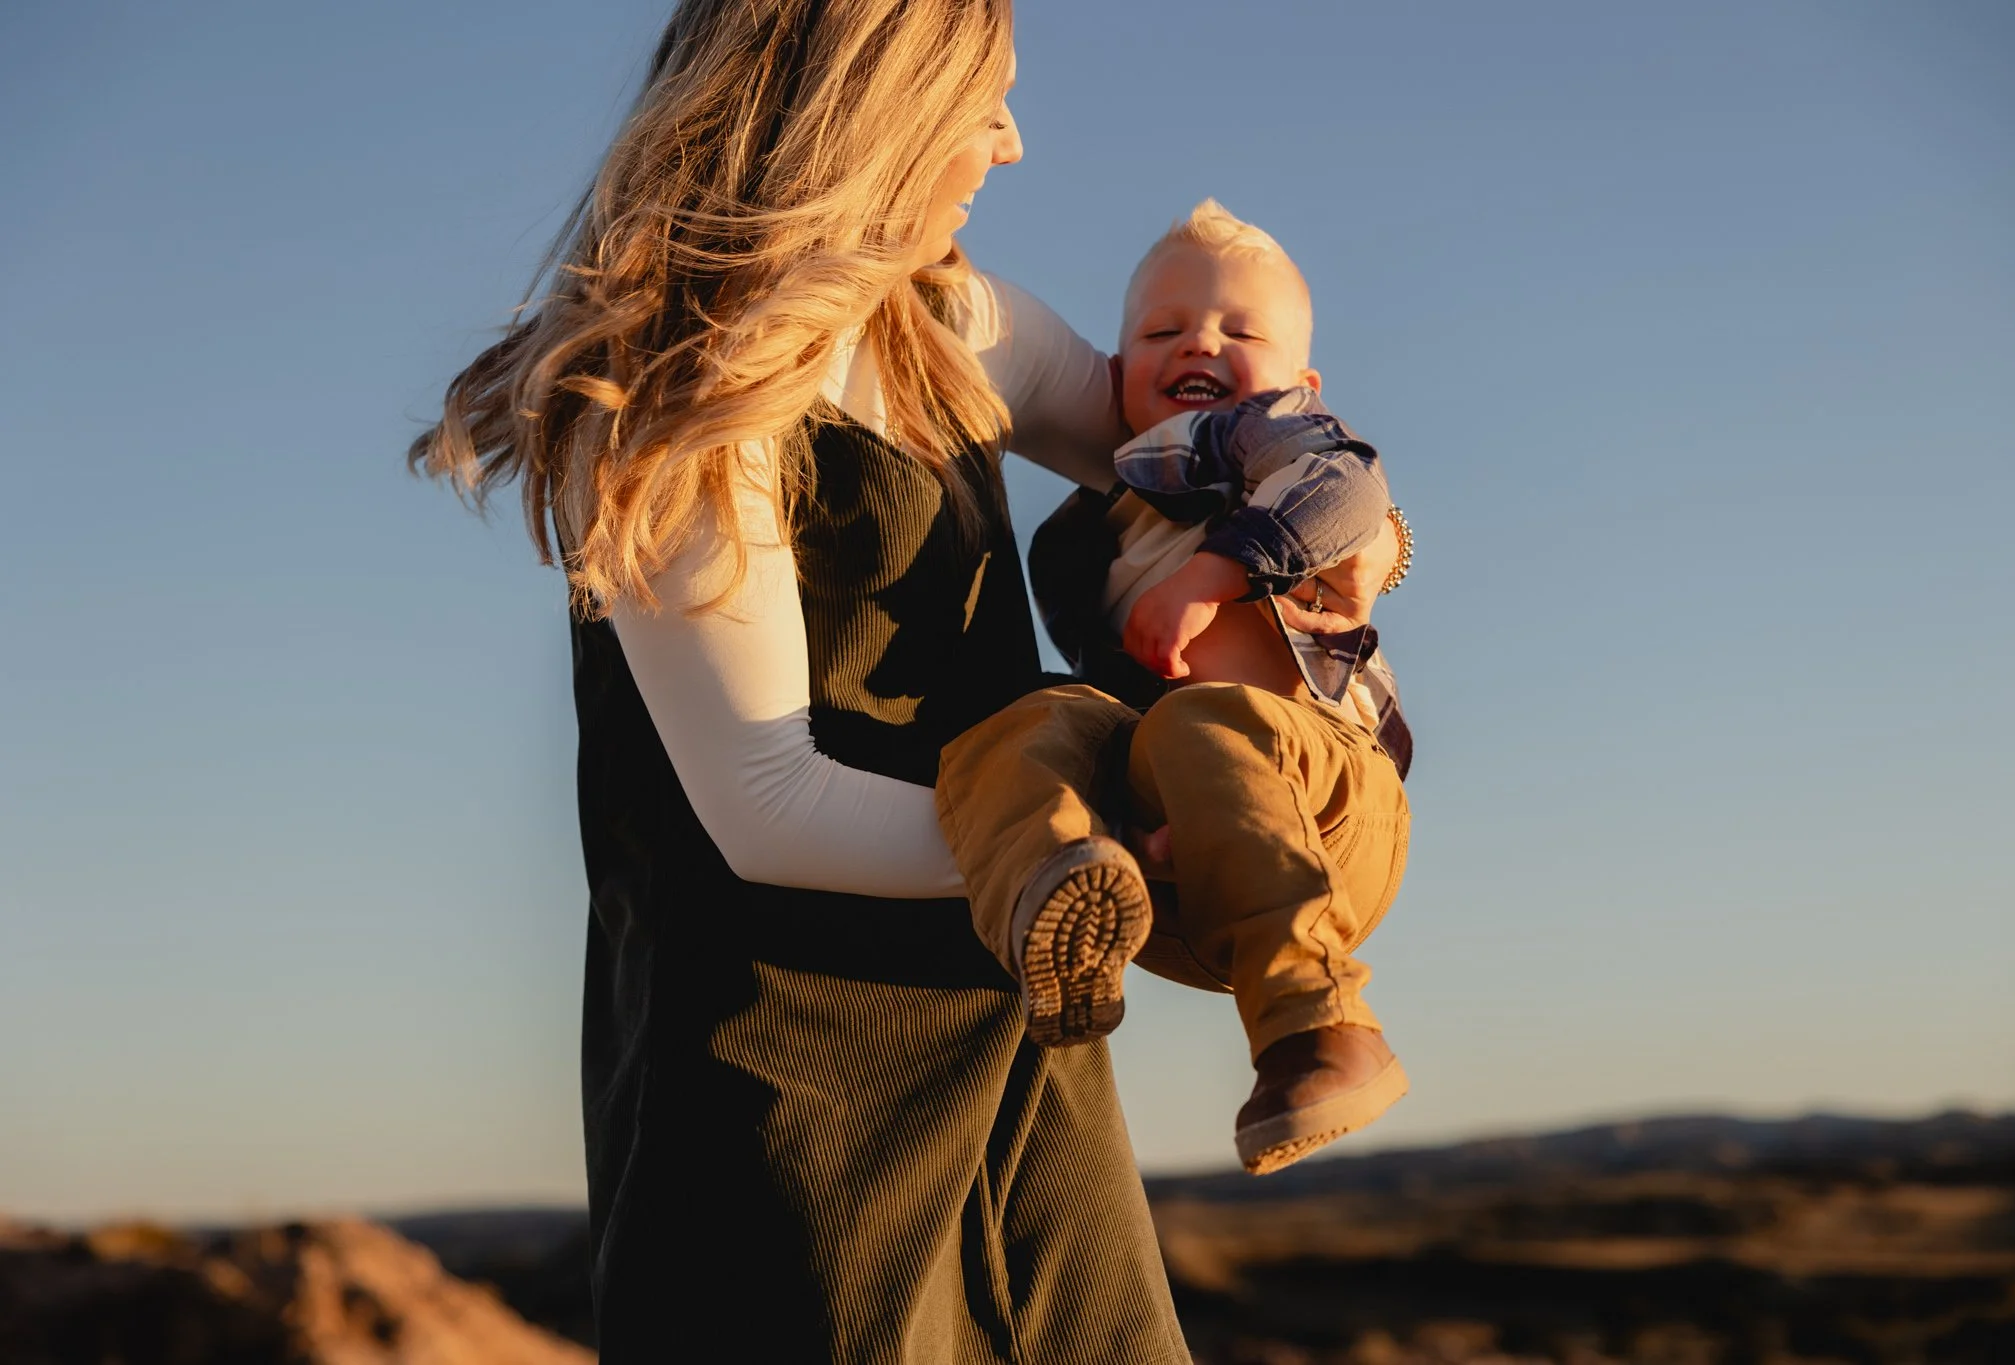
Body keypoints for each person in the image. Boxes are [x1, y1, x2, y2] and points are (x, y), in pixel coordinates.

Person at [406, 2, 1217, 1357]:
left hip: (1019, 1032)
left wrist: (1343, 523)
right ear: (874, 104)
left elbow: (1186, 457)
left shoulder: (956, 327)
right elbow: (769, 801)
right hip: (796, 1107)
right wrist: (1120, 846)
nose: (1014, 146)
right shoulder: (673, 393)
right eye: (986, 98)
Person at [935, 201, 1417, 1177]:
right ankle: (1060, 891)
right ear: (1114, 376)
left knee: (1207, 718)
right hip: (1180, 877)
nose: (1198, 341)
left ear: (1300, 383)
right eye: (1162, 332)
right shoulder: (1074, 547)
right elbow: (1109, 701)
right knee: (1029, 720)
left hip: (1321, 823)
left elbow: (1349, 494)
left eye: (1240, 332)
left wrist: (1211, 575)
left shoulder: (1275, 450)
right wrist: (1135, 819)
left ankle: (1315, 1032)